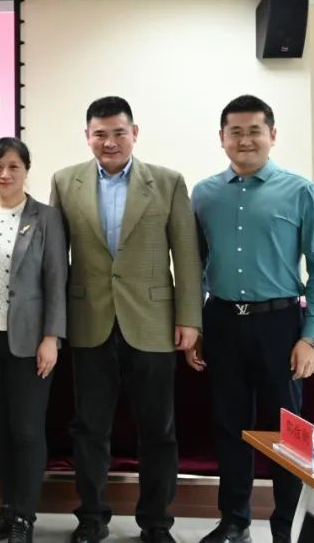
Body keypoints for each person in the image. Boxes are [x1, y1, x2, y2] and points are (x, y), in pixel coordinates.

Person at [49, 97, 202, 543]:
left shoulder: (168, 182)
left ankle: (156, 522)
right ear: (87, 137)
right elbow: (56, 259)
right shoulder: (65, 181)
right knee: (90, 428)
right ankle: (91, 517)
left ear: (135, 133)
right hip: (89, 320)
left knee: (158, 429)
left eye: (118, 132)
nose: (110, 141)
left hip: (153, 322)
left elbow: (186, 256)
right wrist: (54, 324)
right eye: (100, 134)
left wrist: (190, 319)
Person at [189, 95, 314, 543]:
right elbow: (194, 265)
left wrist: (312, 336)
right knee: (229, 425)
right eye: (235, 132)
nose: (245, 140)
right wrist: (195, 324)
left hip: (279, 324)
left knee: (286, 432)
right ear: (221, 138)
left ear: (272, 135)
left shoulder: (301, 191)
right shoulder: (204, 193)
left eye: (254, 131)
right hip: (222, 321)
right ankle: (234, 522)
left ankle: (286, 526)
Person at [0, 138, 67, 543]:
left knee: (26, 430)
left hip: (29, 342)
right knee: (0, 429)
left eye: (13, 166)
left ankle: (25, 516)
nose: (4, 174)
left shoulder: (47, 218)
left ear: (26, 170)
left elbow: (57, 280)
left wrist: (51, 337)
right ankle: (7, 508)